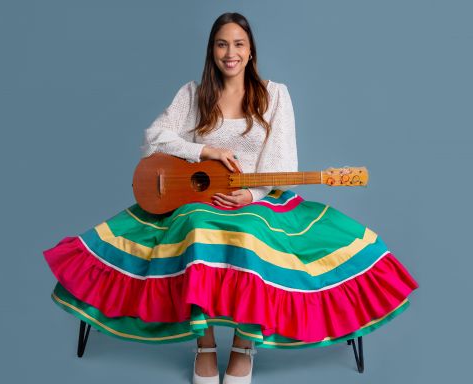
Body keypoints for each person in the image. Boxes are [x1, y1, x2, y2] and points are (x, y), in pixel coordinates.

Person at [43, 12, 418, 384]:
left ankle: (243, 345)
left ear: (251, 50)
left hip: (257, 201)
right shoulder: (192, 94)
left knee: (252, 232)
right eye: (222, 44)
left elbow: (283, 161)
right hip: (198, 200)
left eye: (238, 44)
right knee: (195, 224)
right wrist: (204, 151)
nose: (230, 52)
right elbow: (153, 138)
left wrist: (250, 193)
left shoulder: (275, 95)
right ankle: (203, 343)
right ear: (212, 51)